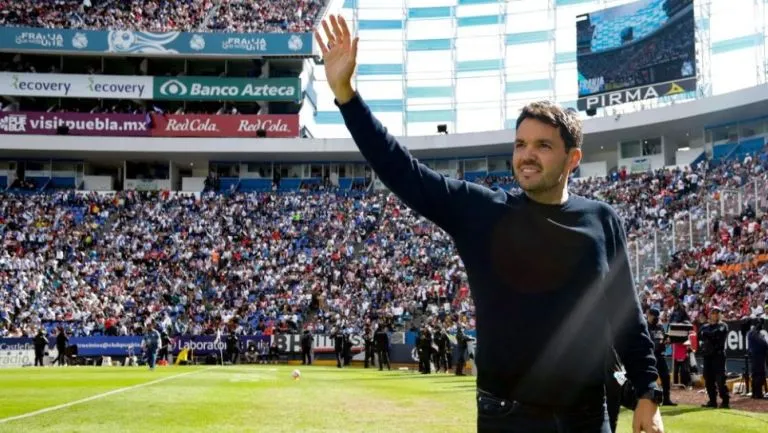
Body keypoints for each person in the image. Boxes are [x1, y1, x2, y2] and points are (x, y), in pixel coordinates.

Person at [315, 15, 664, 433]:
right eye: (520, 144)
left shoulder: (603, 221)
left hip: (588, 416)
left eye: (543, 146)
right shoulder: (482, 211)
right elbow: (400, 169)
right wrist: (346, 95)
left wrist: (649, 394)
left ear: (572, 159)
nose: (526, 155)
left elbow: (627, 316)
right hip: (507, 416)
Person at [698, 307, 729, 408]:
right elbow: (699, 335)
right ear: (710, 315)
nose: (715, 315)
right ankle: (712, 401)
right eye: (713, 313)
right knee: (708, 379)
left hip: (718, 355)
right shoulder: (704, 326)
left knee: (720, 380)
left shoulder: (723, 325)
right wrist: (707, 334)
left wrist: (706, 334)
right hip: (707, 356)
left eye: (717, 313)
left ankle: (725, 401)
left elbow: (716, 334)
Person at [646, 308, 676, 406]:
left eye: (657, 316)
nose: (656, 318)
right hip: (649, 356)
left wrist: (667, 341)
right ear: (649, 315)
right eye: (654, 316)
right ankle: (648, 400)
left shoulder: (660, 327)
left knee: (666, 377)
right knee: (649, 379)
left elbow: (663, 338)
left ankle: (666, 399)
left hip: (660, 355)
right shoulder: (644, 326)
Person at [747, 317, 768, 399]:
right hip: (757, 357)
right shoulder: (753, 333)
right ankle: (757, 393)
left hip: (759, 356)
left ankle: (756, 393)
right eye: (760, 324)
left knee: (758, 375)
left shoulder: (757, 333)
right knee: (758, 375)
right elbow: (763, 344)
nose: (762, 326)